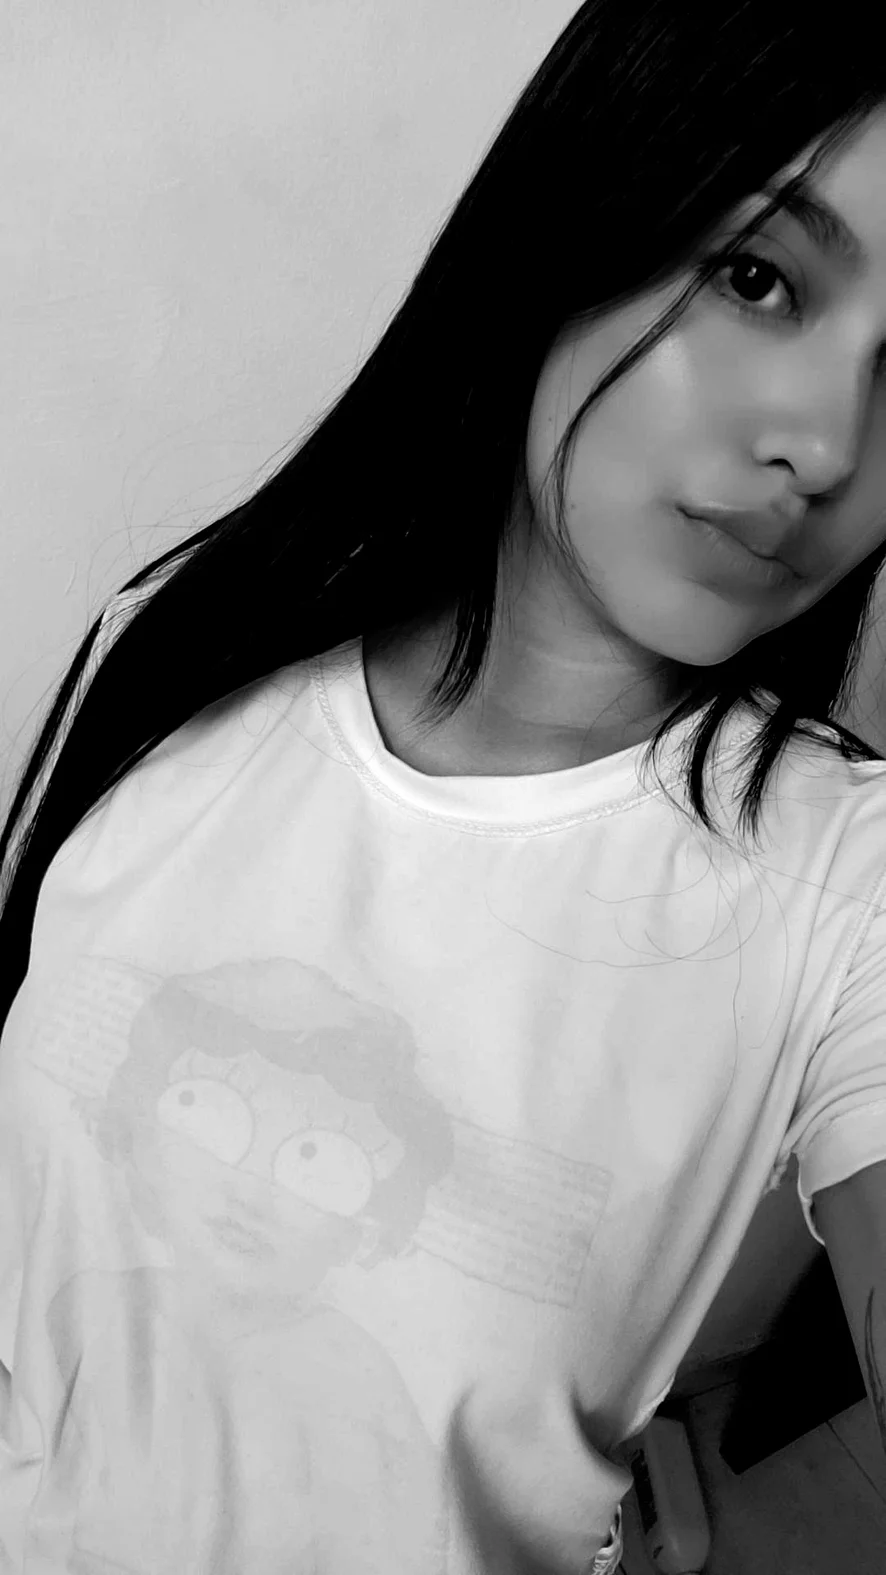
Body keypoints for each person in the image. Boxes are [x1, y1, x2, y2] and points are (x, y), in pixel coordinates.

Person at [2, 1, 886, 1569]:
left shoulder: (845, 882)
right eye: (757, 278)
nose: (822, 444)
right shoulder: (177, 653)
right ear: (590, 204)